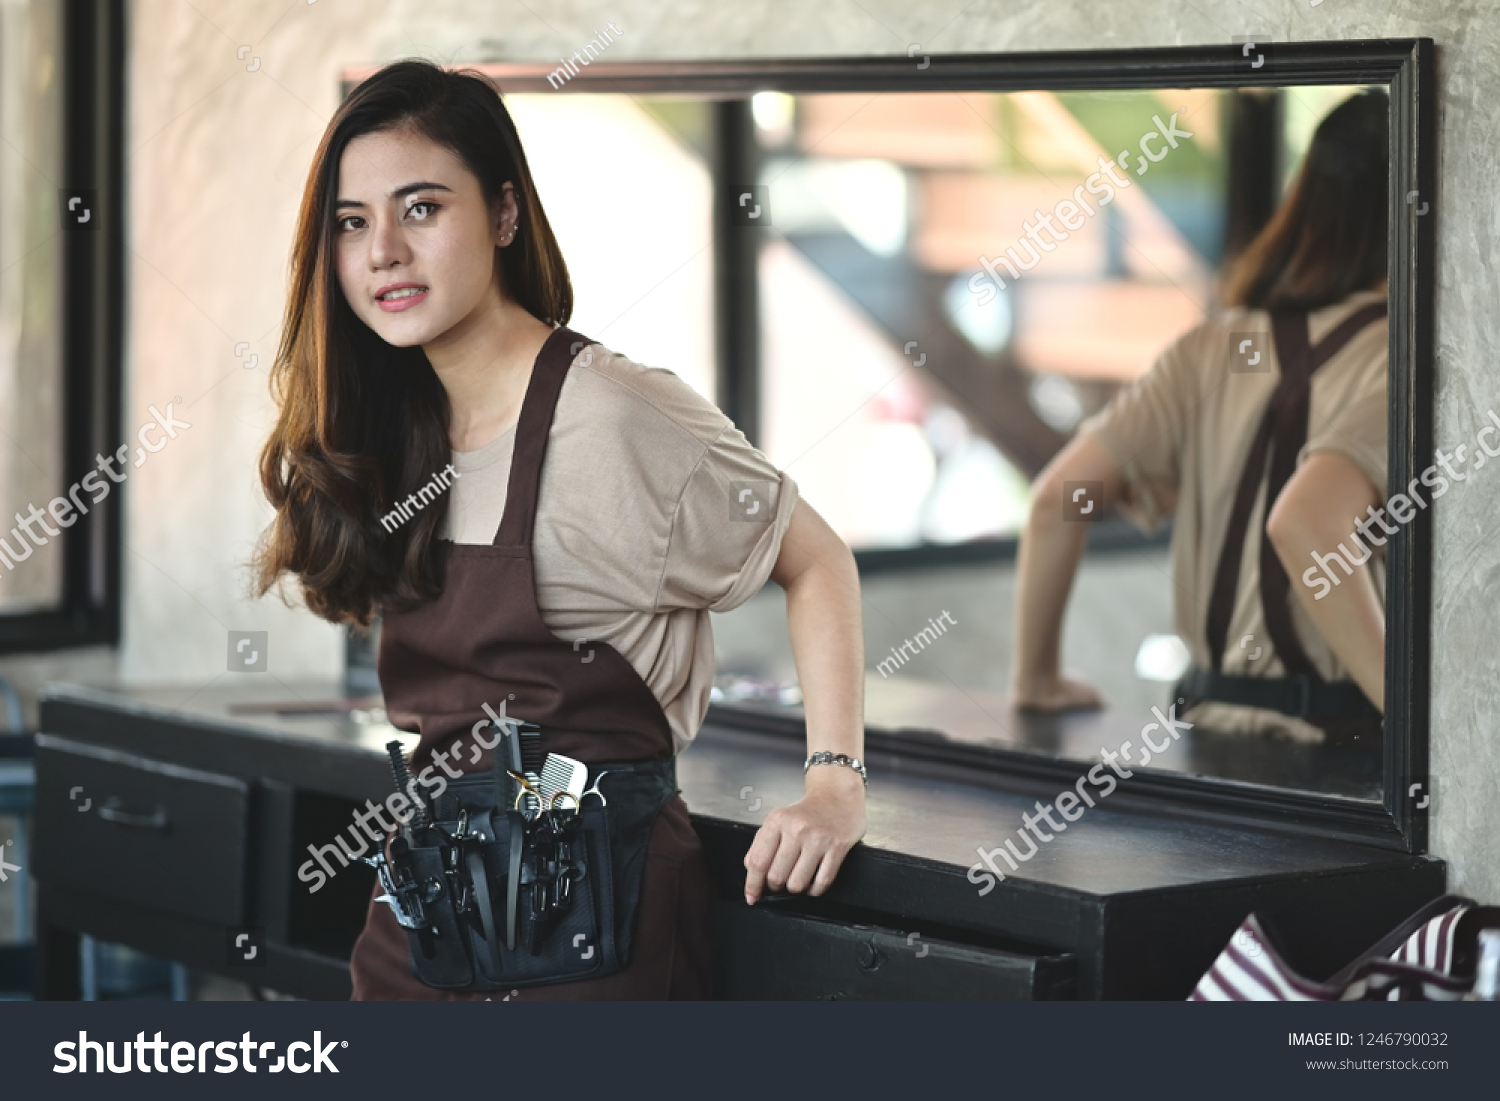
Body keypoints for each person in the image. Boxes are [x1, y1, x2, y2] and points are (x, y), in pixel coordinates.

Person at [252, 60, 867, 999]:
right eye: (352, 222)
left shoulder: (617, 416)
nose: (382, 251)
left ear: (503, 215)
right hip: (421, 926)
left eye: (421, 208)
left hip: (597, 928)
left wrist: (833, 786)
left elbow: (815, 559)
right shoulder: (396, 430)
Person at [1011, 89, 1391, 745]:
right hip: (1338, 744)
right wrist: (1420, 723)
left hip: (1207, 737)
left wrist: (1036, 679)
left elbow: (1056, 501)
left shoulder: (1212, 345)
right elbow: (1305, 522)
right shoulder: (1408, 355)